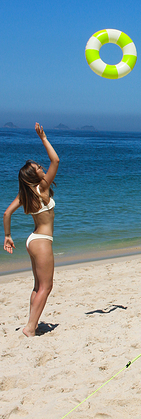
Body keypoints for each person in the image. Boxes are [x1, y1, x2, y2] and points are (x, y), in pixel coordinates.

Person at [3, 124, 60, 337]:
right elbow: (56, 160)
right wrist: (43, 137)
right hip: (42, 241)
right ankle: (30, 327)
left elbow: (7, 214)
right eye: (38, 167)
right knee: (46, 287)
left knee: (38, 286)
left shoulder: (25, 193)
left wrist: (8, 236)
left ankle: (31, 322)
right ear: (34, 175)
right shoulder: (42, 188)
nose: (42, 167)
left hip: (32, 240)